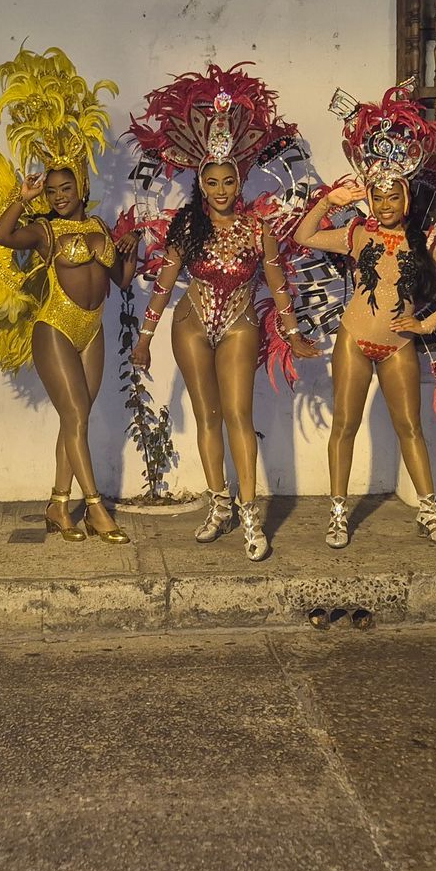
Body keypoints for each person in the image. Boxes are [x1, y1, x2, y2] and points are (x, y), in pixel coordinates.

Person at [127, 64, 318, 561]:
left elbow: (277, 285)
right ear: (201, 182)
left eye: (227, 181)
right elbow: (165, 286)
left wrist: (293, 332)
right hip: (190, 322)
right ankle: (218, 504)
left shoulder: (260, 229)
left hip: (238, 323)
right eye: (211, 181)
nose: (220, 189)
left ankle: (250, 513)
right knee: (206, 414)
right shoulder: (187, 227)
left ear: (239, 180)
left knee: (238, 413)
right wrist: (144, 339)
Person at [293, 84, 436, 550]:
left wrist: (427, 325)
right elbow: (305, 236)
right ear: (370, 199)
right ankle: (337, 515)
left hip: (399, 345)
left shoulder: (428, 240)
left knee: (410, 427)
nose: (387, 204)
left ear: (407, 199)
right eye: (379, 196)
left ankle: (429, 512)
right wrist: (329, 202)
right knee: (345, 426)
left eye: (394, 196)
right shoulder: (354, 234)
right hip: (354, 337)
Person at [0, 47, 137, 542]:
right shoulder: (43, 230)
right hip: (56, 327)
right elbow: (2, 237)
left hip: (93, 328)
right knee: (77, 415)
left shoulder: (99, 225)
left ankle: (57, 506)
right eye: (52, 189)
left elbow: (123, 281)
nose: (59, 194)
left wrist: (130, 248)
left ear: (81, 187)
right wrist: (20, 201)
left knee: (76, 418)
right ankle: (95, 506)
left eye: (67, 188)